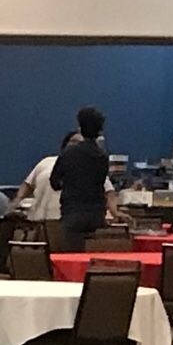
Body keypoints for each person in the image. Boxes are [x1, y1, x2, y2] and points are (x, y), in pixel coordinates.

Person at [51, 105, 112, 251]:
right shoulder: (102, 156)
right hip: (97, 214)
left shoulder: (69, 153)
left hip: (73, 213)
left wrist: (67, 184)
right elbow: (101, 182)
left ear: (80, 128)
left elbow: (54, 181)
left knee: (71, 255)